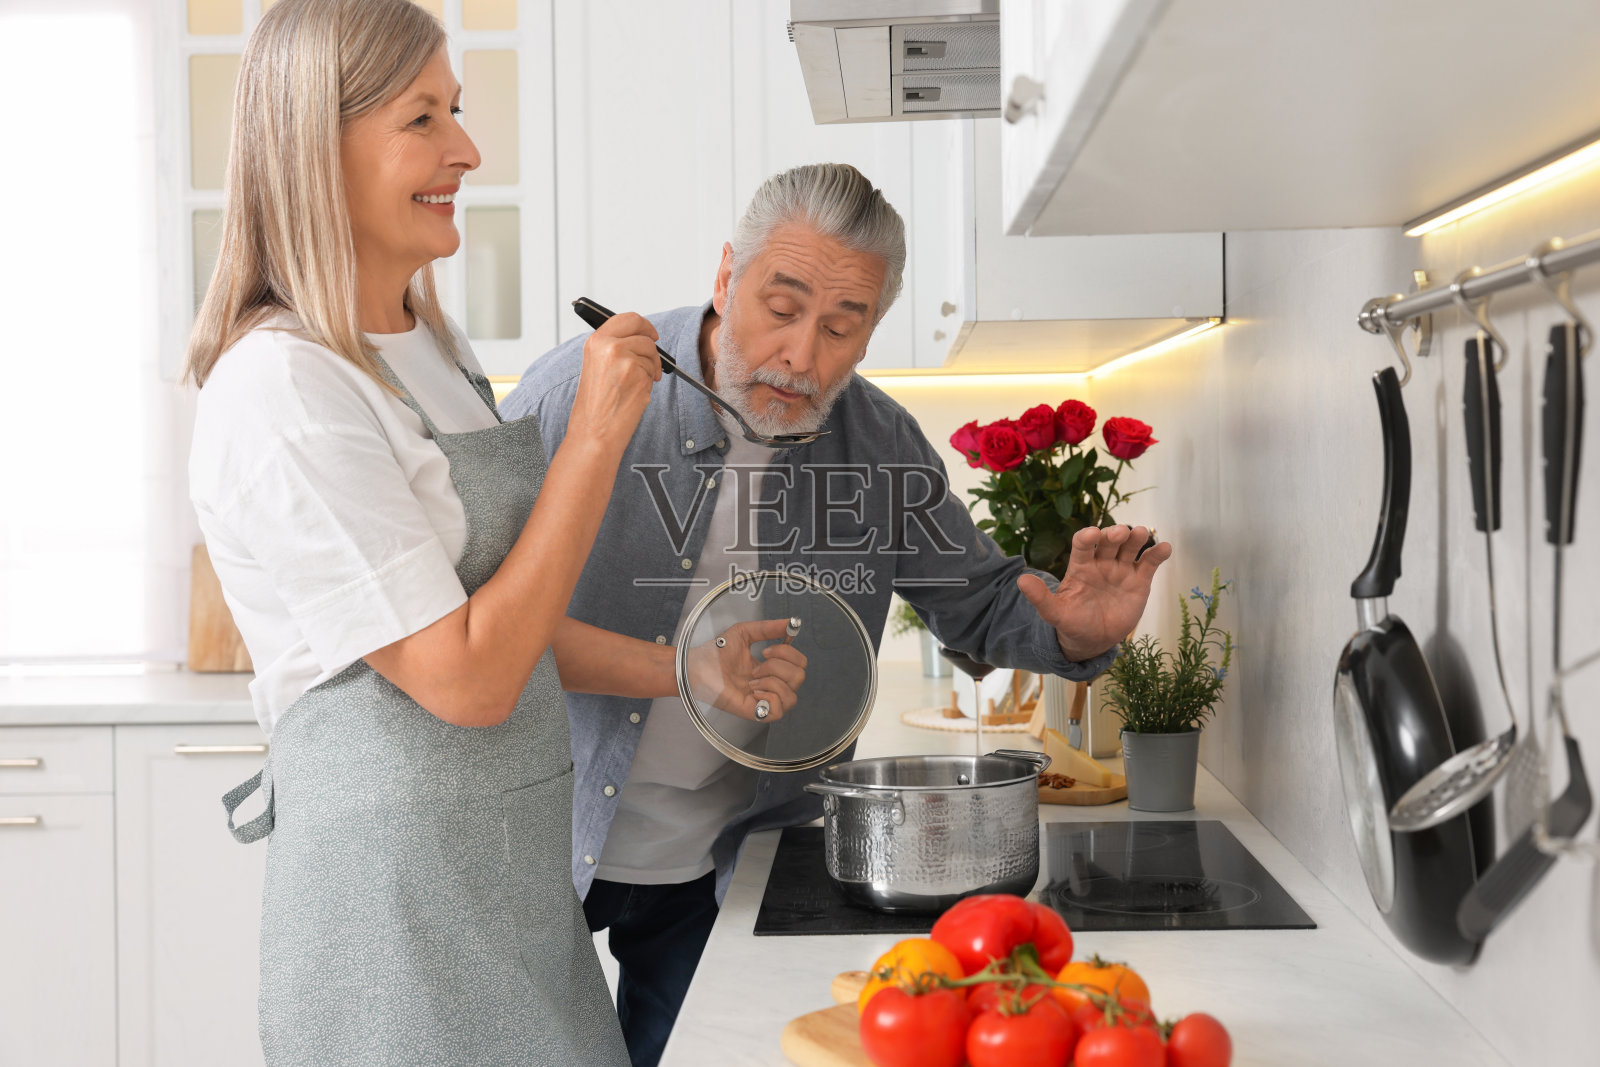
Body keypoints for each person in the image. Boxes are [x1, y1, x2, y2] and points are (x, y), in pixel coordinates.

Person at [183, 2, 803, 1064]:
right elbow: (465, 678)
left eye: (456, 110)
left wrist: (689, 669)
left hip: (509, 888)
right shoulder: (283, 386)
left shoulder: (427, 345)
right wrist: (595, 438)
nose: (466, 150)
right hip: (396, 925)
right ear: (315, 143)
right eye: (422, 117)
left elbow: (502, 624)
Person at [500, 162, 1174, 1066]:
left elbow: (977, 599)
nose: (801, 356)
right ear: (726, 277)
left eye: (841, 327)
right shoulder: (571, 395)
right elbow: (474, 620)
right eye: (780, 309)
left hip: (730, 864)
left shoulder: (880, 444)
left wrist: (1073, 632)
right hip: (544, 839)